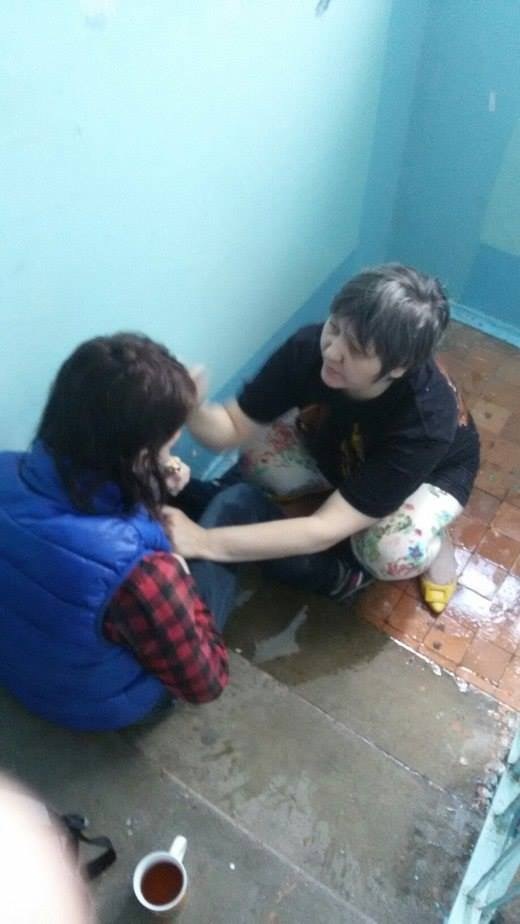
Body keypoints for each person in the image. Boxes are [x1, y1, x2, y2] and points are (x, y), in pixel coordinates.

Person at [167, 264, 480, 615]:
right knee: (258, 457)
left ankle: (433, 536)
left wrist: (205, 541)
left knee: (389, 550)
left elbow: (324, 529)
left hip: (431, 474)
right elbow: (231, 430)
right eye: (334, 327)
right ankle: (351, 497)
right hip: (347, 441)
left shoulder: (425, 422)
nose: (331, 351)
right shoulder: (309, 349)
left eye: (356, 349)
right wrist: (191, 407)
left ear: (398, 366)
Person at [0, 333, 261, 731]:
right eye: (166, 447)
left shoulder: (6, 467)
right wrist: (179, 573)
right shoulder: (145, 574)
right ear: (139, 456)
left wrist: (150, 490)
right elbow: (205, 684)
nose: (169, 457)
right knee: (239, 503)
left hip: (16, 668)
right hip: (92, 705)